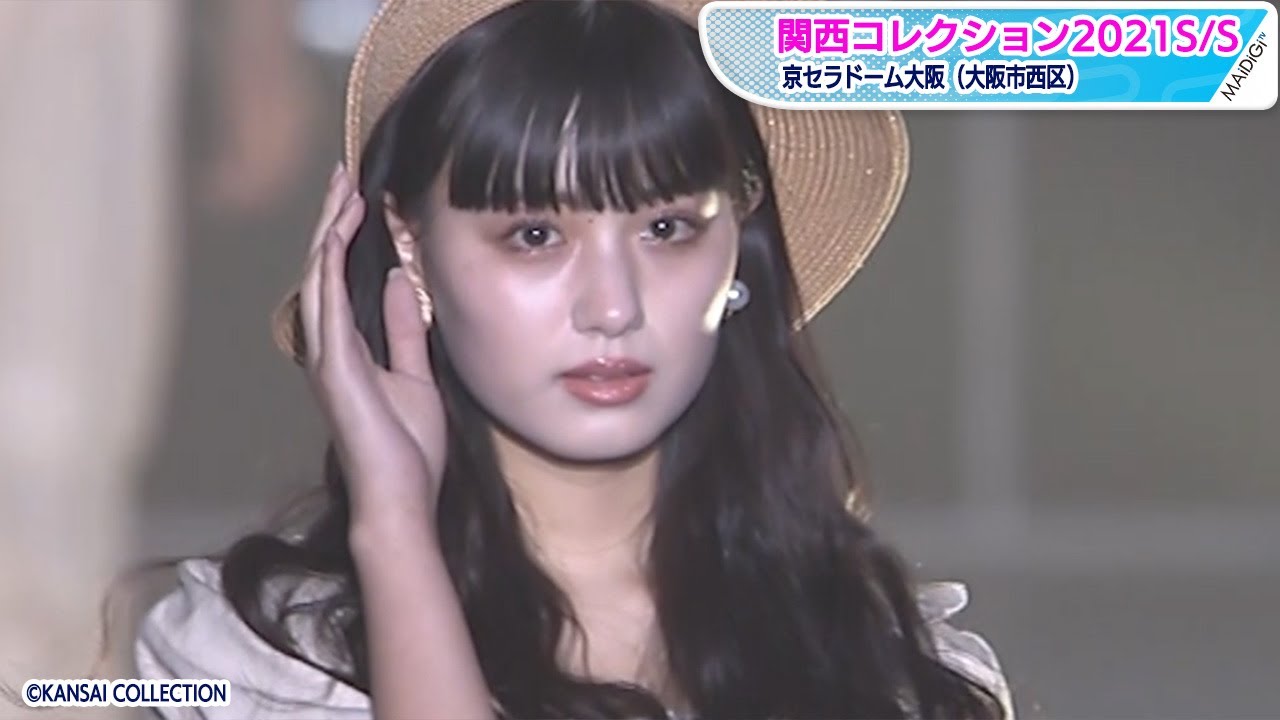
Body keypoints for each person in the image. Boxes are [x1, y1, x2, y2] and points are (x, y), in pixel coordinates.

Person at [134, 1, 1015, 718]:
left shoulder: (892, 667)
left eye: (666, 228)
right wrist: (394, 528)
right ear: (410, 243)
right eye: (534, 235)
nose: (613, 308)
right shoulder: (260, 664)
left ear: (739, 243)